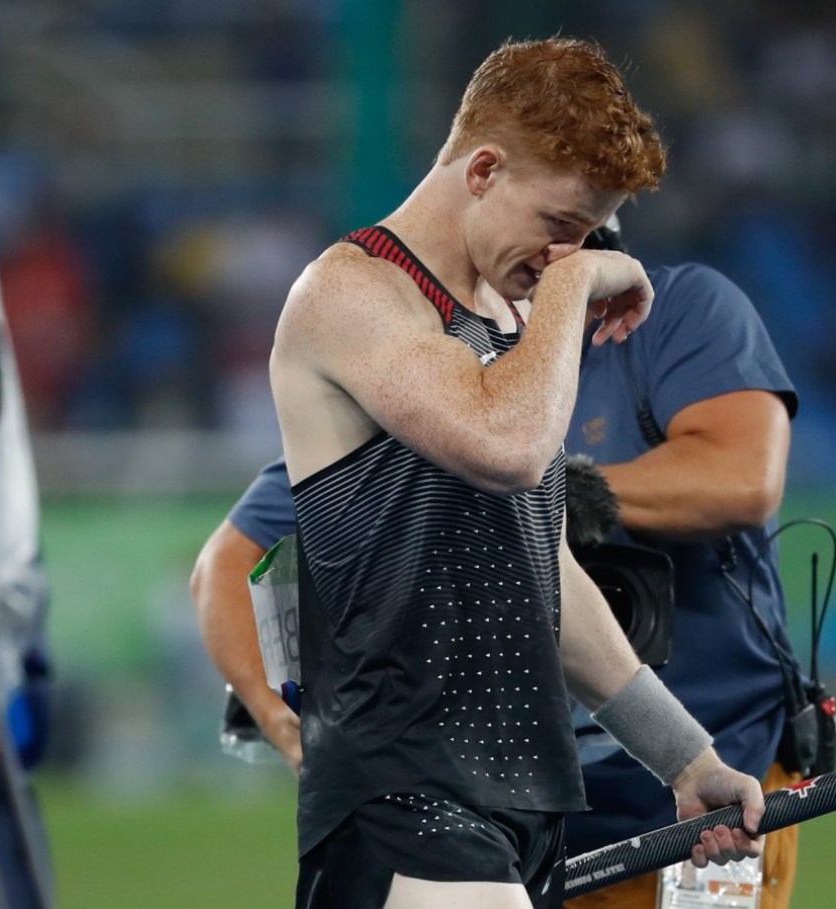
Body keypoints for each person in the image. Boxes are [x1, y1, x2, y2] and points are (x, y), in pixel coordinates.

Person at [255, 36, 763, 909]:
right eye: (562, 228)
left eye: (592, 237)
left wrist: (685, 755)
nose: (569, 257)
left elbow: (544, 579)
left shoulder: (505, 318)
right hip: (401, 791)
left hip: (519, 800)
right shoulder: (352, 293)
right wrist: (579, 286)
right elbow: (506, 447)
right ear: (482, 170)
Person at [193, 212, 805, 908]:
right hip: (496, 825)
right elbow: (227, 566)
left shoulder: (680, 312)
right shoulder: (434, 377)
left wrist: (563, 494)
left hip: (696, 815)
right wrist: (293, 734)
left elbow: (743, 478)